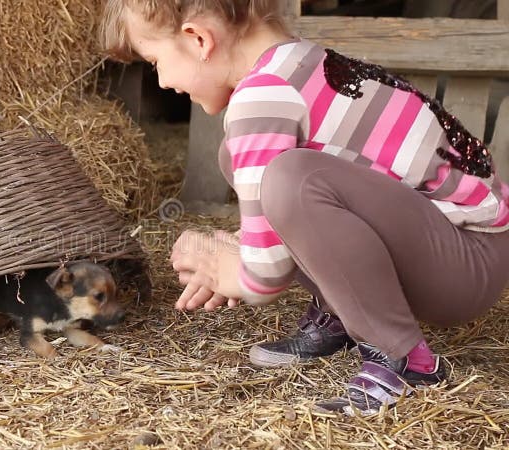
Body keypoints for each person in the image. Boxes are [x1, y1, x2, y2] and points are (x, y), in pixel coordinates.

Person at [100, 0, 509, 415]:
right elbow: (305, 216)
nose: (163, 81)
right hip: (461, 249)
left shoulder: (261, 99)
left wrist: (229, 269)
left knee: (291, 178)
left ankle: (405, 360)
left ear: (199, 39)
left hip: (464, 265)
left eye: (154, 62)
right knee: (246, 162)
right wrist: (244, 245)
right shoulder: (299, 62)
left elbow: (264, 278)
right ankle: (342, 311)